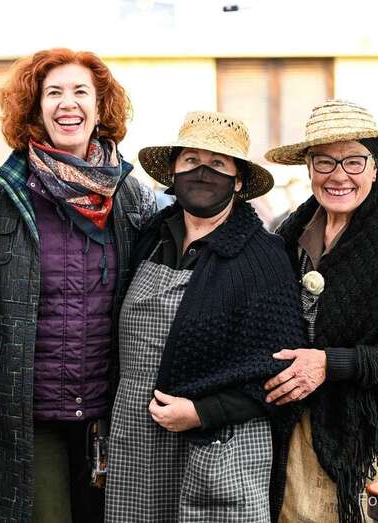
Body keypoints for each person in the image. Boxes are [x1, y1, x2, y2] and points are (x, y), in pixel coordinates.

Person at [0, 48, 156, 523]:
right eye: (53, 93)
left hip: (108, 411)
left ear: (100, 108)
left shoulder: (132, 197)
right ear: (35, 108)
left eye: (81, 92)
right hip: (24, 414)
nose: (68, 103)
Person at [105, 111, 307, 523]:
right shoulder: (150, 237)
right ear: (174, 171)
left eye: (217, 163)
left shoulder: (262, 257)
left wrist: (203, 412)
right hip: (138, 438)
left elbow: (280, 370)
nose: (202, 172)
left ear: (238, 180)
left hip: (221, 444)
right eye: (191, 160)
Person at [264, 99, 378, 523]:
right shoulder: (291, 231)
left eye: (353, 160)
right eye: (324, 162)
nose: (338, 175)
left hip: (372, 431)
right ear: (309, 167)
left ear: (375, 166)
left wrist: (330, 363)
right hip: (296, 428)